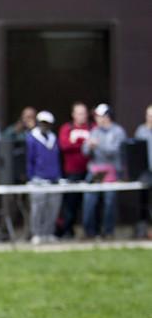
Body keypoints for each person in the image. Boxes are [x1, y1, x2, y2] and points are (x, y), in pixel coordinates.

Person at [82, 104, 126, 239]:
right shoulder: (94, 131)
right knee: (90, 199)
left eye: (99, 116)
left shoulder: (118, 131)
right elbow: (84, 151)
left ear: (107, 116)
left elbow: (114, 151)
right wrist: (89, 146)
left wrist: (98, 144)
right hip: (97, 171)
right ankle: (90, 232)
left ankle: (108, 232)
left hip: (112, 171)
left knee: (109, 200)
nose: (96, 118)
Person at [56, 102, 92, 238]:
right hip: (72, 171)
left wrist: (75, 142)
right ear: (73, 115)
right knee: (70, 203)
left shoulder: (92, 127)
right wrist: (83, 143)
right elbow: (64, 145)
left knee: (90, 202)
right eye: (79, 113)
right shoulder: (67, 128)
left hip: (89, 170)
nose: (82, 116)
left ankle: (90, 231)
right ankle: (67, 231)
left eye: (84, 113)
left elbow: (96, 143)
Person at [26, 111, 62, 244]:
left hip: (53, 177)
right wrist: (30, 177)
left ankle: (48, 232)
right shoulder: (32, 138)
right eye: (42, 123)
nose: (44, 126)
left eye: (47, 124)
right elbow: (29, 159)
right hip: (38, 178)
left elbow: (57, 159)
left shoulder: (53, 138)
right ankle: (37, 233)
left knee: (52, 207)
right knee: (38, 207)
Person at [134, 105, 152, 239]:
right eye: (149, 115)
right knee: (144, 200)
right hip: (145, 171)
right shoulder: (141, 131)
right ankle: (142, 230)